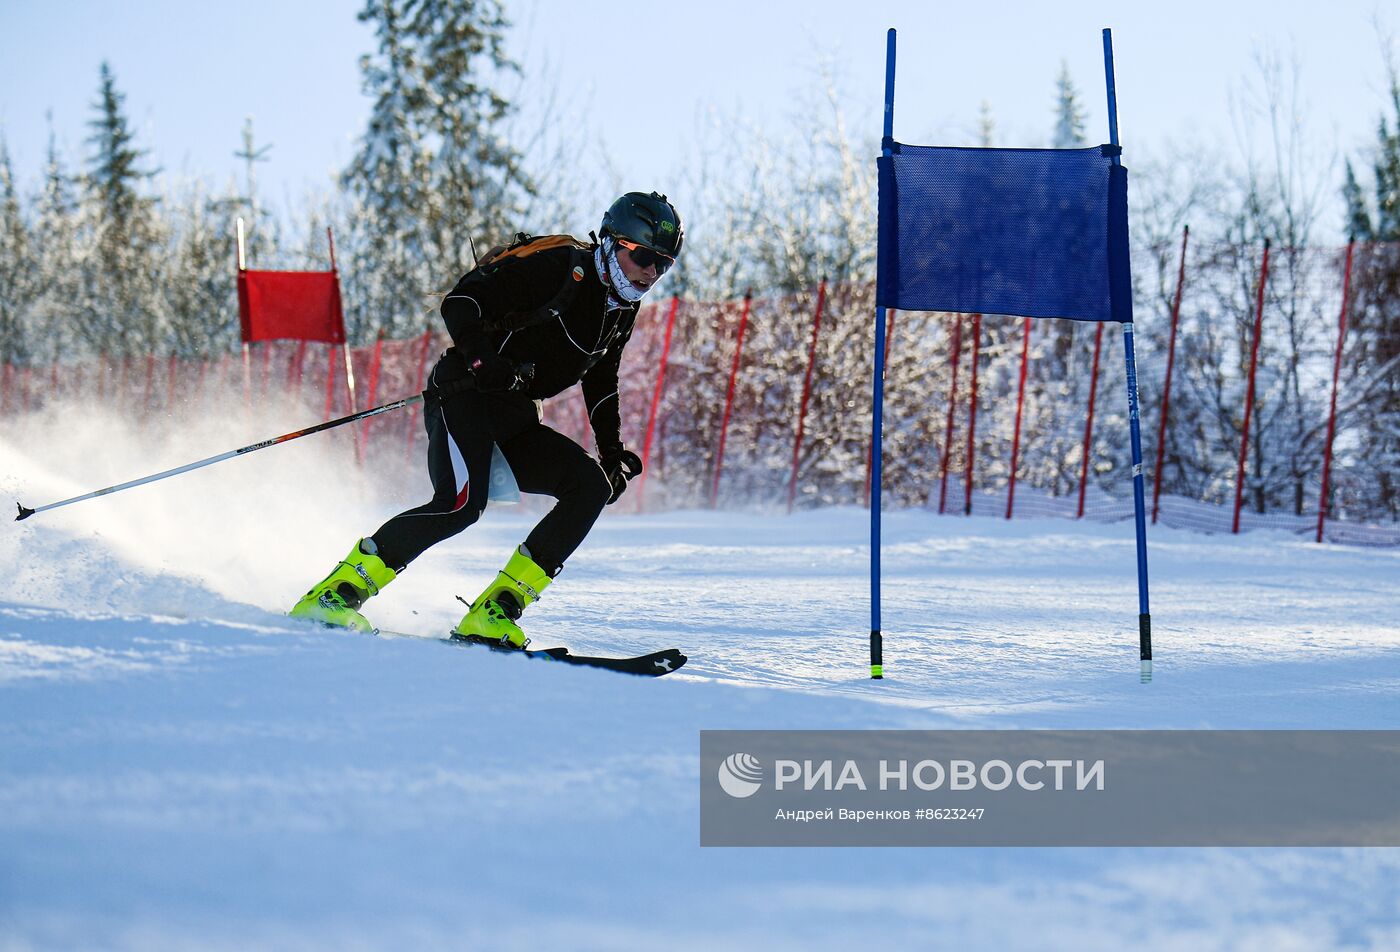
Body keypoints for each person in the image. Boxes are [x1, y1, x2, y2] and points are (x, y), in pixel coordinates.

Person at [289, 192, 683, 646]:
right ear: (614, 242)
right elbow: (461, 303)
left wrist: (611, 455)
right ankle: (335, 596)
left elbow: (601, 382)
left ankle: (495, 612)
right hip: (465, 393)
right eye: (644, 257)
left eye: (663, 264)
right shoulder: (560, 265)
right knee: (461, 504)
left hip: (514, 412)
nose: (652, 273)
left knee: (589, 486)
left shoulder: (621, 309)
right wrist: (481, 360)